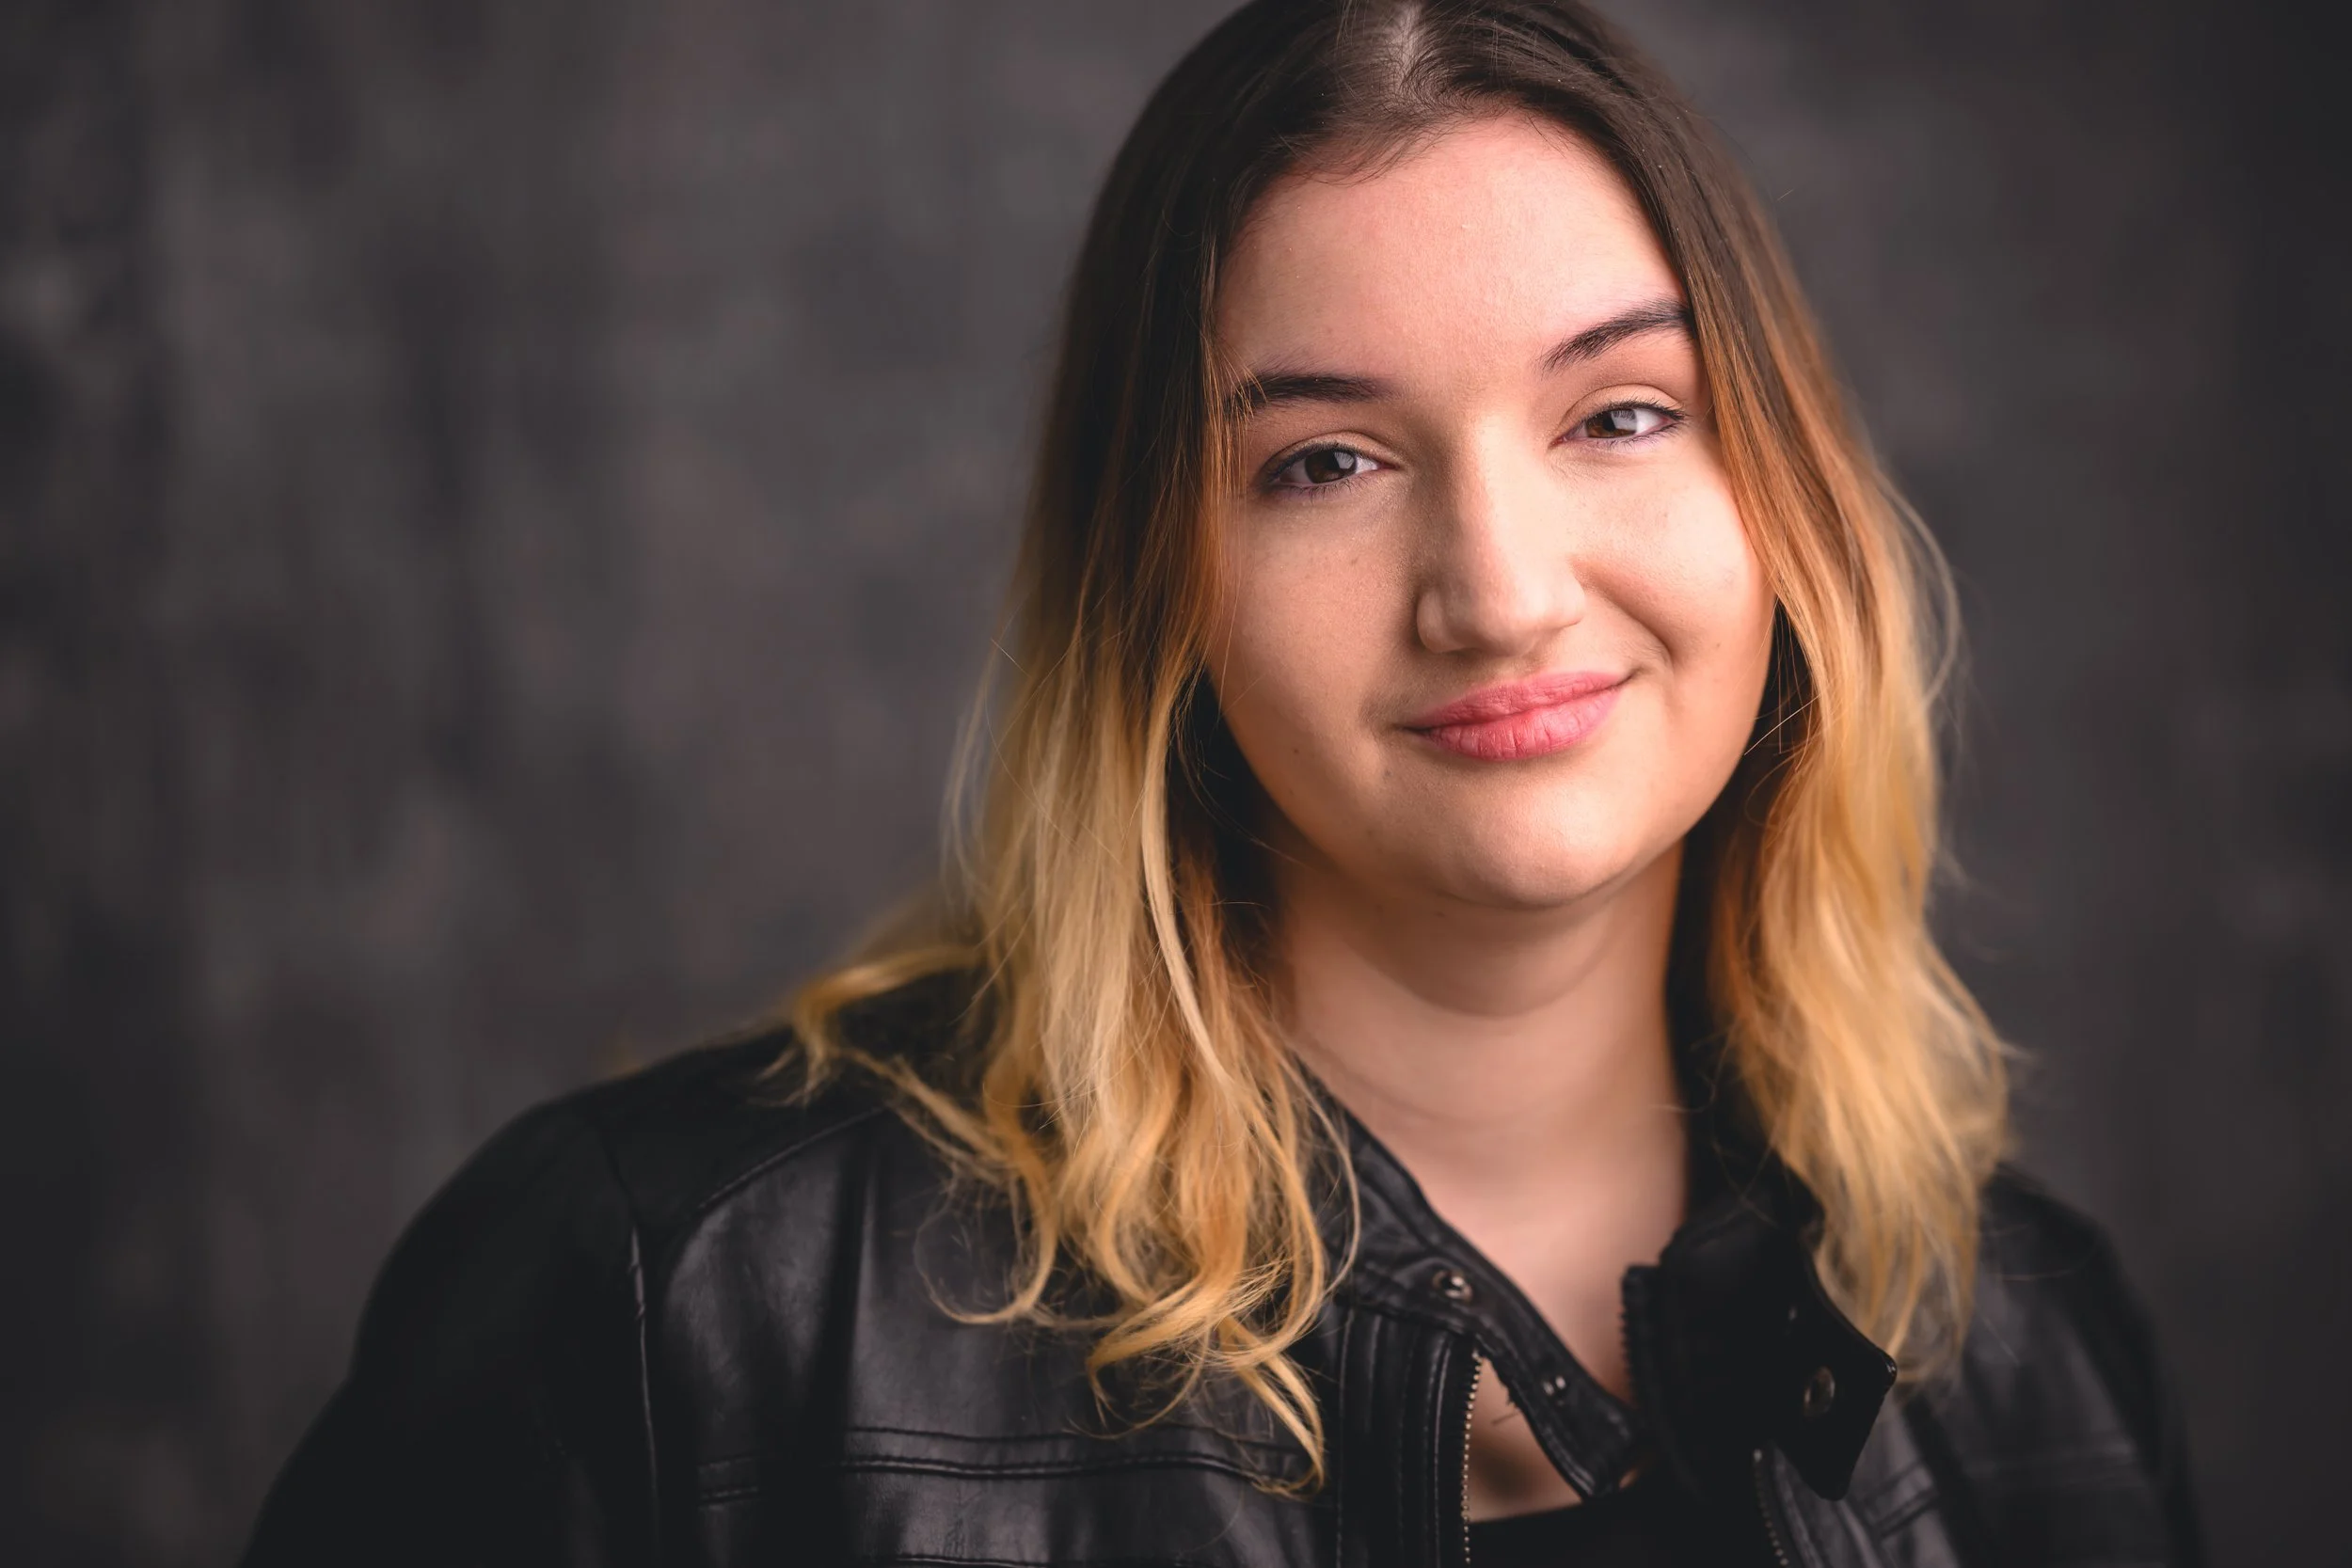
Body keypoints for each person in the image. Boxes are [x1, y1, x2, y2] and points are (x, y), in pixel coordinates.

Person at [240, 2, 2201, 1563]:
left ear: (1783, 499)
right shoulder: (673, 1304)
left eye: (1619, 413)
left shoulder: (2026, 1350)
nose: (1499, 591)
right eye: (1323, 462)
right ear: (1158, 588)